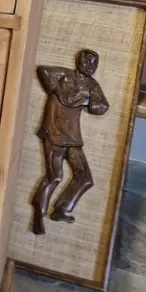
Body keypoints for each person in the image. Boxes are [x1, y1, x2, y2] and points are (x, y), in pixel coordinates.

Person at [30, 48, 109, 235]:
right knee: (54, 176)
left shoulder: (91, 85)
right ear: (78, 62)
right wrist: (59, 91)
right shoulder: (64, 75)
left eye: (94, 64)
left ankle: (61, 209)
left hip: (73, 138)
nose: (90, 67)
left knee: (85, 178)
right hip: (54, 133)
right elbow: (43, 70)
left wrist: (87, 100)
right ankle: (38, 214)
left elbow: (102, 106)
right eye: (87, 62)